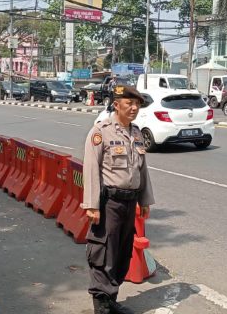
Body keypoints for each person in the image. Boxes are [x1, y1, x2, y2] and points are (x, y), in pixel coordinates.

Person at [82, 85, 155, 314]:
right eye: (129, 103)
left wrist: (145, 200)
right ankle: (101, 305)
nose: (134, 108)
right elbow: (91, 169)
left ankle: (111, 299)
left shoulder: (135, 133)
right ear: (116, 104)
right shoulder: (101, 131)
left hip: (130, 201)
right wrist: (92, 205)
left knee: (123, 253)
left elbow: (142, 170)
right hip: (109, 203)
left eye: (137, 104)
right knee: (104, 252)